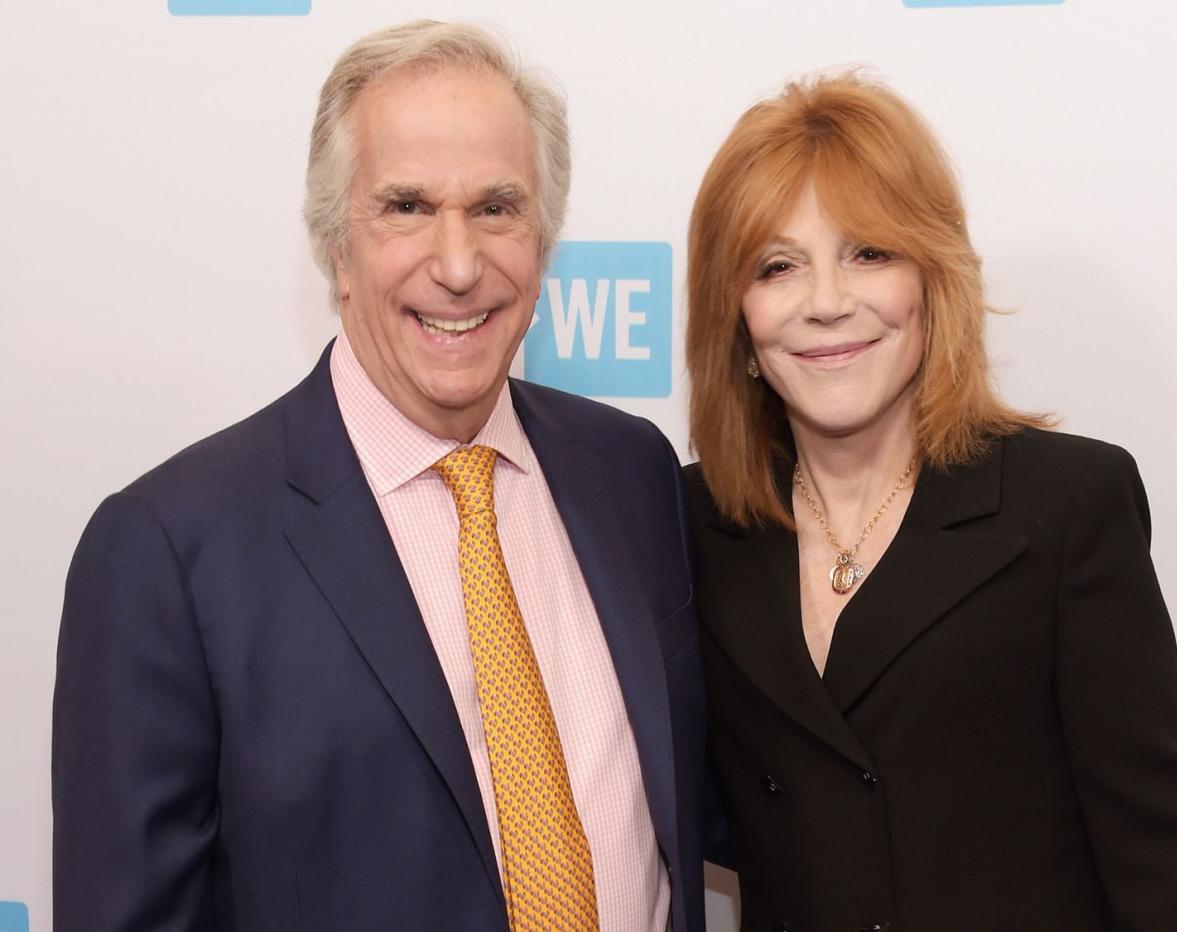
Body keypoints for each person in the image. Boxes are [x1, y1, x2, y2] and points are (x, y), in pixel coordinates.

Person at [53, 20, 706, 932]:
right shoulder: (172, 551)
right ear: (335, 246)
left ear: (545, 240)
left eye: (496, 207)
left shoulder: (632, 474)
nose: (458, 264)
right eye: (406, 206)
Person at [683, 73, 1177, 931]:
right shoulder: (689, 525)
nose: (827, 303)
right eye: (778, 266)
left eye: (869, 252)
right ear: (737, 320)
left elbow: (1156, 859)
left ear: (933, 280)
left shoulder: (1066, 507)